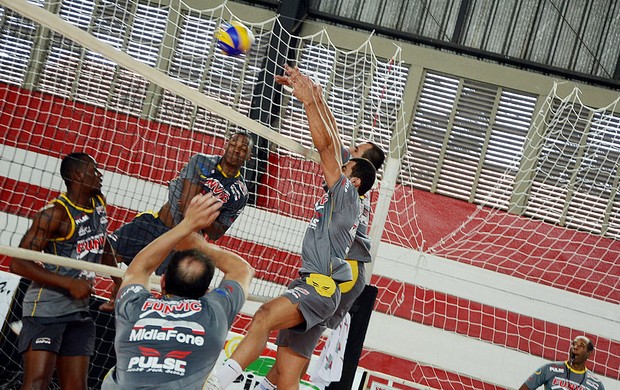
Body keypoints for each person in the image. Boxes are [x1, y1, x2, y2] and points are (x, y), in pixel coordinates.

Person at [209, 65, 376, 390]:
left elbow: (328, 147)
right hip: (318, 283)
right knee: (285, 375)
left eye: (349, 161)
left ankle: (215, 383)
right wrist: (315, 96)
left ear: (354, 179)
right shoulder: (347, 195)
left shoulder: (347, 195)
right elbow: (334, 143)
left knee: (263, 316)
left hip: (325, 286)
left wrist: (309, 103)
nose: (340, 164)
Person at [101, 192, 254, 389]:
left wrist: (185, 226)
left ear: (162, 281)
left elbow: (140, 267)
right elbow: (242, 270)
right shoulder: (214, 314)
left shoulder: (132, 307)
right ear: (206, 291)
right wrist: (199, 244)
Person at [10, 152, 119, 390]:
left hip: (78, 310)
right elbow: (17, 263)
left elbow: (102, 241)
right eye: (94, 170)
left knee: (76, 386)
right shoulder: (54, 214)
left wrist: (118, 280)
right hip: (45, 309)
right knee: (37, 383)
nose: (99, 175)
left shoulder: (98, 202)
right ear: (78, 175)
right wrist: (68, 283)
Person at [109, 131, 253, 274]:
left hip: (184, 243)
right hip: (156, 225)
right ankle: (116, 286)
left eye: (243, 149)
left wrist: (203, 212)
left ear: (248, 156)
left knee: (169, 289)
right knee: (109, 251)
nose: (236, 150)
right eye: (233, 144)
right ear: (226, 144)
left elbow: (216, 233)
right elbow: (186, 206)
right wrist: (209, 212)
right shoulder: (201, 161)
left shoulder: (240, 194)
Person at [519, 335, 606, 390]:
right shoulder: (549, 369)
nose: (575, 347)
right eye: (573, 344)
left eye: (581, 346)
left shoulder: (596, 384)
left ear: (589, 353)